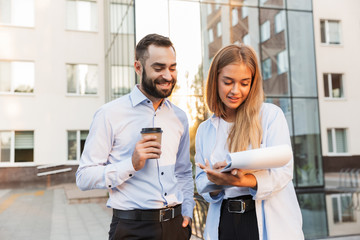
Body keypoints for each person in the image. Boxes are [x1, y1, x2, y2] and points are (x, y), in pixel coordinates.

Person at [76, 33, 194, 240]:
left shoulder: (180, 117)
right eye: (159, 68)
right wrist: (130, 164)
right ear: (138, 68)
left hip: (176, 227)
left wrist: (188, 209)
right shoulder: (109, 114)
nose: (167, 75)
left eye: (172, 68)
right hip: (133, 229)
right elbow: (84, 177)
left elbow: (183, 171)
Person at [195, 44, 304, 240]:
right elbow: (201, 183)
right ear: (215, 80)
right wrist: (217, 182)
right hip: (225, 222)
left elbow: (284, 171)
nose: (236, 91)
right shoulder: (205, 129)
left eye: (244, 83)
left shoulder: (270, 116)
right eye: (228, 82)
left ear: (252, 83)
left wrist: (242, 181)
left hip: (263, 219)